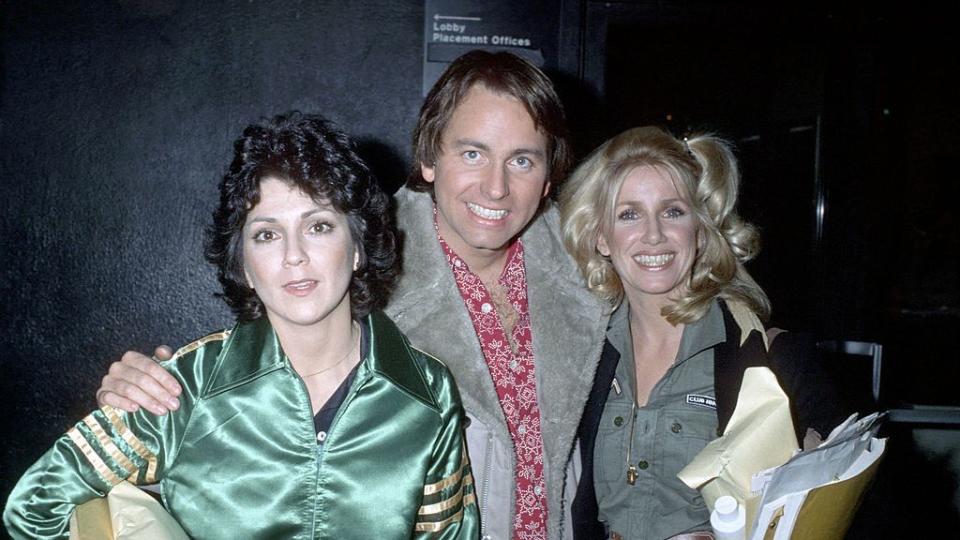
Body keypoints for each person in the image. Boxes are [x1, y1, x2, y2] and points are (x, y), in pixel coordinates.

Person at [91, 51, 608, 539]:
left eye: (522, 161)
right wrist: (148, 397)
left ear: (547, 178)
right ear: (428, 159)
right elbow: (240, 421)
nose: (496, 188)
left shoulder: (592, 268)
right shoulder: (346, 262)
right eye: (473, 153)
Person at [4, 113, 478, 539]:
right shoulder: (184, 389)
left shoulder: (426, 393)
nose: (294, 255)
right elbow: (32, 507)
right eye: (267, 234)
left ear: (357, 247)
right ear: (245, 266)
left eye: (319, 226)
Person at [560, 126, 842, 539]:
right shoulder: (580, 358)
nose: (654, 234)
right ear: (601, 237)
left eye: (673, 211)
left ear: (700, 227)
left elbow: (845, 506)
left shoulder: (773, 359)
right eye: (629, 214)